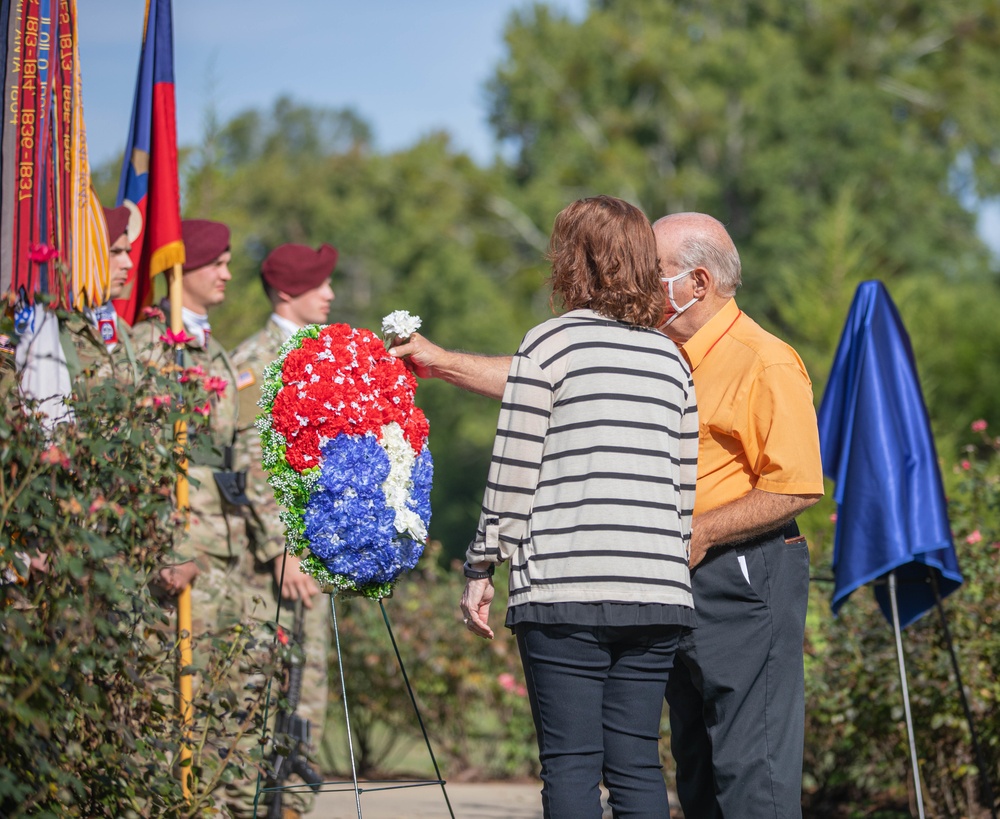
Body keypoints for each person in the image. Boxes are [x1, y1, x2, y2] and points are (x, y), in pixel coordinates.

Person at [393, 211, 825, 818]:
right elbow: (539, 383)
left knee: (751, 765)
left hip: (739, 572)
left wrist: (696, 531)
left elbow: (798, 486)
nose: (642, 281)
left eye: (655, 270)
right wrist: (442, 363)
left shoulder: (764, 360)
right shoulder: (662, 352)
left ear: (697, 282)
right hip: (666, 576)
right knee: (687, 763)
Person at [460, 195, 699, 818]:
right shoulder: (672, 360)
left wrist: (481, 567)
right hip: (657, 592)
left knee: (570, 765)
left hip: (565, 589)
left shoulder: (549, 346)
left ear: (574, 261)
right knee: (638, 765)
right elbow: (683, 491)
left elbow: (513, 470)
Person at [229, 242, 336, 818]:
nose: (331, 294)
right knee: (261, 692)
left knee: (307, 692)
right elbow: (247, 458)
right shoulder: (254, 362)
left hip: (316, 558)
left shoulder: (322, 355)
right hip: (267, 569)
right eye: (320, 284)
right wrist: (281, 549)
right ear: (288, 291)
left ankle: (290, 808)